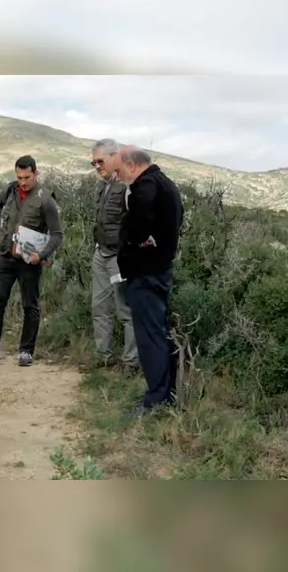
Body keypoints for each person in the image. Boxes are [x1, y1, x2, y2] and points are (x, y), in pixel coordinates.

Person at [111, 145, 184, 418]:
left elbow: (141, 212)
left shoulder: (146, 185)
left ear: (132, 165)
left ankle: (155, 401)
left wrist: (139, 237)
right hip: (159, 270)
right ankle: (166, 394)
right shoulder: (167, 183)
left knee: (150, 337)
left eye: (119, 170)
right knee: (159, 333)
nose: (118, 176)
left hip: (146, 274)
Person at [0, 155, 64, 367]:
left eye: (27, 177)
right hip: (5, 256)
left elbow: (57, 235)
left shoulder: (46, 200)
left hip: (29, 261)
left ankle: (26, 351)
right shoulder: (10, 190)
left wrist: (41, 255)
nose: (23, 182)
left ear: (36, 174)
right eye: (19, 177)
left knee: (30, 306)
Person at [88, 138, 139, 373]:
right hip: (101, 254)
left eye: (100, 161)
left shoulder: (128, 186)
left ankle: (131, 363)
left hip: (120, 258)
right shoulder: (101, 186)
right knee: (99, 308)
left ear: (114, 157)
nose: (97, 166)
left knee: (126, 311)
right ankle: (103, 357)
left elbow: (137, 223)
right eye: (94, 163)